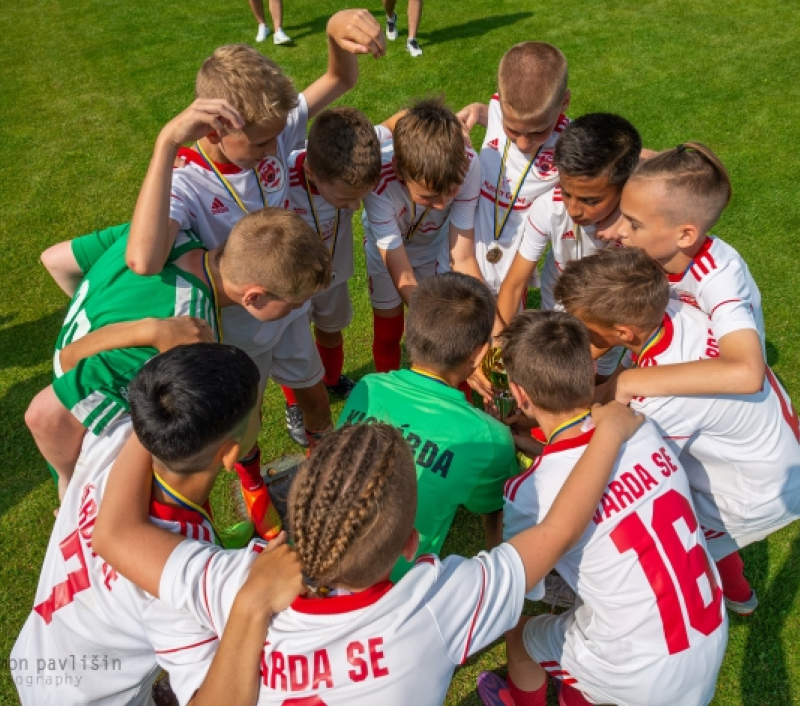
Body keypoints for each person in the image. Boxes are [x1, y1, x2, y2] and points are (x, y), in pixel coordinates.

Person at [92, 395, 644, 704]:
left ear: (296, 507)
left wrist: (151, 418)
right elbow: (558, 532)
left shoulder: (238, 582)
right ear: (411, 544)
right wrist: (611, 434)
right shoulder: (436, 602)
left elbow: (115, 536)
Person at [124, 16, 382, 446]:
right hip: (239, 328)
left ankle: (320, 466)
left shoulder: (272, 129)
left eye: (276, 139)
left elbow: (340, 78)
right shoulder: (186, 181)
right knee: (247, 419)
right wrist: (166, 142)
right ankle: (255, 487)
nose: (274, 150)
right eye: (261, 145)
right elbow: (143, 260)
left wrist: (335, 29)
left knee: (315, 398)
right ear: (215, 128)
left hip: (292, 309)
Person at [13, 343, 304, 706]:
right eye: (258, 410)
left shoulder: (115, 436)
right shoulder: (176, 583)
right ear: (230, 454)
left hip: (38, 653)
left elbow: (49, 411)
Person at [25, 209, 330, 541]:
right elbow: (48, 407)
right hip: (90, 441)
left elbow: (55, 259)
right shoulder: (190, 337)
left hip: (82, 406)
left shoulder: (165, 237)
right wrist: (68, 485)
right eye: (295, 303)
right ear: (253, 296)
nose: (299, 310)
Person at [478, 309, 727, 706]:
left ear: (520, 394)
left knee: (521, 634)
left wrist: (492, 511)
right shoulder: (642, 429)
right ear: (587, 370)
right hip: (707, 636)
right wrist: (539, 448)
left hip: (638, 673)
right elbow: (598, 473)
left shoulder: (529, 493)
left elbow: (525, 583)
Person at [555, 246, 800, 615]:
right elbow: (624, 382)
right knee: (713, 538)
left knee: (684, 539)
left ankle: (694, 610)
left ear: (623, 331)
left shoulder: (660, 400)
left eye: (582, 327)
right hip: (773, 450)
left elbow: (622, 470)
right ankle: (740, 596)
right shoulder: (674, 309)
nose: (577, 333)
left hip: (755, 492)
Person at [338, 272, 519, 580]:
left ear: (411, 331)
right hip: (394, 587)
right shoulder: (488, 437)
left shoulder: (368, 386)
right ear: (479, 354)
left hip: (317, 558)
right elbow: (496, 508)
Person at [613, 142, 765, 405]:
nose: (621, 231)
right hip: (674, 352)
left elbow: (748, 373)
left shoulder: (720, 276)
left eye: (634, 224)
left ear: (685, 235)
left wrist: (628, 382)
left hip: (721, 394)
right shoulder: (655, 252)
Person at [363, 99, 483, 372]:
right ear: (398, 170)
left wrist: (490, 325)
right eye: (428, 196)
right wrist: (438, 323)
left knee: (449, 335)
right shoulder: (378, 183)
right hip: (387, 256)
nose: (442, 205)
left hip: (433, 249)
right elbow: (403, 276)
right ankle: (389, 395)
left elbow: (463, 257)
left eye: (451, 191)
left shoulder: (469, 164)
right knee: (389, 331)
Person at [278, 107, 382, 411]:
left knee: (331, 327)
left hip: (335, 272)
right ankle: (296, 405)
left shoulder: (357, 161)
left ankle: (332, 378)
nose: (355, 205)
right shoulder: (280, 177)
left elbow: (393, 125)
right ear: (311, 173)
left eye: (360, 197)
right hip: (291, 281)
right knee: (293, 342)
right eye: (345, 199)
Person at [494, 113, 641, 322]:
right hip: (555, 306)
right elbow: (515, 284)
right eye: (565, 192)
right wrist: (496, 349)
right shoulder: (548, 208)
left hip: (609, 319)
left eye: (590, 201)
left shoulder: (643, 224)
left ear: (626, 186)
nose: (573, 210)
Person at [457, 42, 569, 296]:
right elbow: (491, 113)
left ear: (564, 103)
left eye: (539, 131)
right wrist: (478, 111)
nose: (523, 143)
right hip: (467, 253)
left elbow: (613, 151)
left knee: (508, 330)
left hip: (516, 270)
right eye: (513, 130)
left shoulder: (569, 141)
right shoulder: (498, 108)